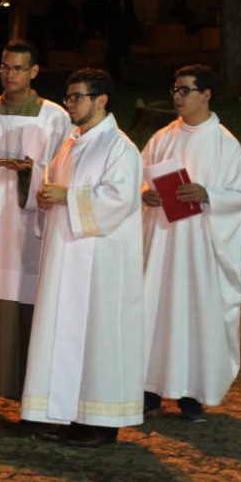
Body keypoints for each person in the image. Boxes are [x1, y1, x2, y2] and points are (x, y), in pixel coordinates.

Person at [23, 68, 144, 447]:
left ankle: (101, 423)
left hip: (102, 264)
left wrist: (68, 198)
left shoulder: (120, 147)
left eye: (77, 97)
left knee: (99, 338)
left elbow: (120, 200)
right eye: (68, 96)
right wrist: (45, 196)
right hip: (66, 256)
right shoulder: (71, 143)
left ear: (101, 100)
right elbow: (54, 186)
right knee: (65, 335)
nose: (70, 103)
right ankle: (68, 412)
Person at [0, 41, 69, 423]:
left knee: (30, 308)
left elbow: (61, 172)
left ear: (34, 72)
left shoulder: (55, 118)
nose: (11, 75)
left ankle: (31, 394)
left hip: (28, 230)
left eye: (19, 68)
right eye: (5, 68)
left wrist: (30, 173)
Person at [141, 65, 241, 422]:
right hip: (162, 244)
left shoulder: (225, 143)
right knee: (156, 310)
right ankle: (148, 387)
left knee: (196, 314)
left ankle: (193, 392)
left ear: (206, 95)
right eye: (175, 89)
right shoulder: (162, 139)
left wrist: (209, 194)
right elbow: (135, 178)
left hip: (202, 248)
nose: (178, 96)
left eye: (186, 90)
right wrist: (145, 195)